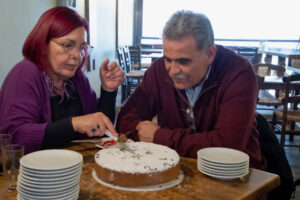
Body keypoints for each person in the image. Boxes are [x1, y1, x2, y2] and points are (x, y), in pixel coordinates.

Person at [116, 10, 266, 170]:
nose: (172, 71)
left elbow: (228, 147)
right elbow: (125, 121)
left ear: (210, 54)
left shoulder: (238, 72)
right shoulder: (158, 71)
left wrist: (159, 137)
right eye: (167, 59)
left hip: (237, 174)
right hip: (178, 169)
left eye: (183, 61)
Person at [0, 6, 124, 154]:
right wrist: (74, 124)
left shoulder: (77, 79)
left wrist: (108, 91)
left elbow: (101, 131)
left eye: (81, 48)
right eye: (67, 45)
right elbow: (14, 138)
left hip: (71, 168)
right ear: (43, 43)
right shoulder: (25, 73)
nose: (77, 56)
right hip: (32, 174)